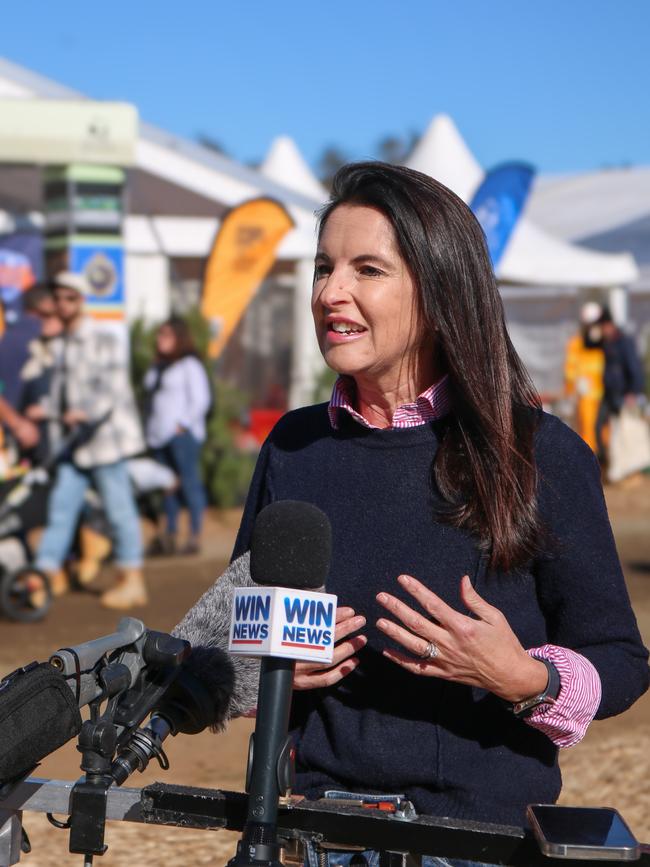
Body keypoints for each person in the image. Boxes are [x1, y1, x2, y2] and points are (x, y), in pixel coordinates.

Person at [229, 163, 649, 867]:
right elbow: (227, 631)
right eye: (324, 267)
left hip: (478, 845)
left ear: (440, 289)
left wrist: (524, 677)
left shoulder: (542, 455)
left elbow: (623, 662)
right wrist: (261, 672)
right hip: (308, 834)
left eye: (367, 269)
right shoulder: (294, 447)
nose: (332, 292)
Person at [33, 271, 147, 608]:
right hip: (74, 443)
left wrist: (84, 412)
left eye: (69, 298)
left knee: (119, 509)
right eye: (58, 298)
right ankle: (44, 574)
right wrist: (48, 411)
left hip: (104, 442)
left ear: (80, 300)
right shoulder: (63, 343)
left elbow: (110, 390)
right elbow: (61, 392)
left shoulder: (103, 338)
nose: (62, 304)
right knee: (61, 509)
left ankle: (132, 578)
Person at [143, 317, 211, 555]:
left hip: (181, 435)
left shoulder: (189, 365)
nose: (161, 340)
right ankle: (169, 534)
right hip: (158, 436)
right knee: (167, 486)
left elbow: (201, 399)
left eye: (167, 335)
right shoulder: (158, 366)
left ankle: (194, 535)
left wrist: (182, 425)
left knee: (189, 483)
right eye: (160, 335)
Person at [593, 307, 646, 465]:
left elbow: (635, 368)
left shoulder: (624, 342)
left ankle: (622, 463)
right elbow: (588, 344)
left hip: (622, 394)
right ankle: (605, 461)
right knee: (598, 427)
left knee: (622, 430)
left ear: (609, 325)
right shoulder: (607, 342)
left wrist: (633, 392)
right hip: (609, 393)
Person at [564, 301, 606, 453]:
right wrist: (571, 391)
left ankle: (605, 462)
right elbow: (570, 370)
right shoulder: (576, 343)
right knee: (588, 428)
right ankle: (592, 459)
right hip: (587, 394)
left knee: (604, 431)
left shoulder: (604, 342)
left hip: (604, 393)